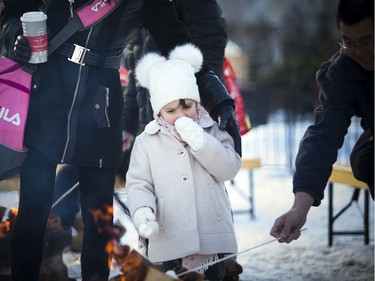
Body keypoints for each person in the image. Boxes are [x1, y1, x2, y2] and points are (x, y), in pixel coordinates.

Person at [0, 1, 240, 281]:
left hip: (101, 103)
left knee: (98, 217)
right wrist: (14, 33)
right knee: (32, 211)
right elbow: (11, 13)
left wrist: (220, 100)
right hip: (45, 95)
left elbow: (179, 46)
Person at [126, 43, 242, 280]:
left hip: (212, 240)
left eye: (187, 106)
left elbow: (229, 168)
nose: (180, 115)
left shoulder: (211, 129)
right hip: (170, 237)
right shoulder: (147, 141)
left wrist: (202, 142)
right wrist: (142, 211)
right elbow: (139, 184)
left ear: (196, 102)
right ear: (158, 111)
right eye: (170, 110)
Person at [270, 0, 374, 244]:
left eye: (367, 41)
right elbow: (323, 136)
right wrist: (299, 207)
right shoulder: (343, 72)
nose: (359, 51)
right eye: (349, 42)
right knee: (365, 159)